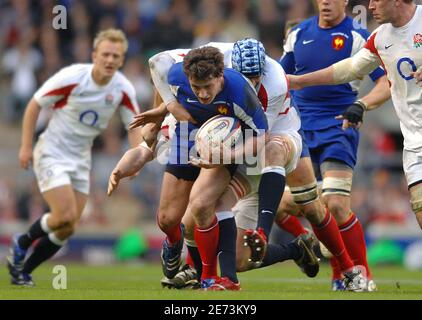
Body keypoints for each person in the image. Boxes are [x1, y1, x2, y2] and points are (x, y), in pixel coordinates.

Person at [115, 39, 368, 291]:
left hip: (277, 135)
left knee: (308, 201)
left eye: (255, 77)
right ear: (226, 68)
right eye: (245, 76)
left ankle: (347, 269)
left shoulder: (273, 83)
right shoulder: (211, 65)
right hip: (236, 146)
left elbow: (260, 136)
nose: (251, 83)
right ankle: (231, 272)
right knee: (202, 209)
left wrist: (222, 154)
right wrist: (165, 110)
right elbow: (159, 64)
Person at [7, 29, 143, 286]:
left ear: (122, 60)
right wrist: (26, 146)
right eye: (105, 54)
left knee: (67, 228)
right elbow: (35, 104)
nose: (110, 59)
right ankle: (22, 241)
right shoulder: (72, 77)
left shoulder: (123, 88)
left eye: (116, 55)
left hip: (81, 159)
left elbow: (134, 125)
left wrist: (136, 156)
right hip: (53, 151)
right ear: (94, 55)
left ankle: (23, 271)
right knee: (65, 214)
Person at [277, 0, 392, 291]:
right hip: (299, 129)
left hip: (339, 126)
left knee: (337, 204)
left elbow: (384, 83)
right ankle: (312, 249)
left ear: (345, 2)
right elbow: (279, 79)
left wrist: (360, 105)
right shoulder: (299, 33)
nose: (327, 2)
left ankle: (358, 274)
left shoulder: (358, 34)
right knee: (284, 206)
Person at [287, 0, 422, 231]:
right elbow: (349, 68)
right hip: (415, 145)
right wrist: (299, 81)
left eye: (377, 0)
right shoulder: (379, 38)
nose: (370, 7)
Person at [145, 45, 269, 290]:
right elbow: (154, 60)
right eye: (196, 87)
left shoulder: (240, 91)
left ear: (220, 76)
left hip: (224, 147)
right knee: (167, 219)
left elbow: (261, 136)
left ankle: (209, 278)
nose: (202, 94)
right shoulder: (176, 74)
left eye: (208, 87)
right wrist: (170, 104)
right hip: (187, 137)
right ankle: (172, 242)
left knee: (201, 205)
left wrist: (228, 154)